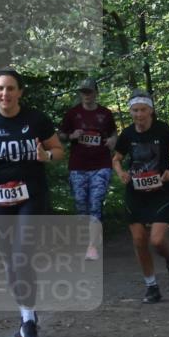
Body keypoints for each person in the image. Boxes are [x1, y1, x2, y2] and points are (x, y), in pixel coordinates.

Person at [0, 69, 64, 337]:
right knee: (11, 260)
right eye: (0, 88)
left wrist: (45, 155)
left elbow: (59, 151)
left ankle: (28, 322)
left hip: (30, 196)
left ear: (20, 92)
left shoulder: (36, 120)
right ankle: (28, 312)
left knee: (22, 254)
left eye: (11, 88)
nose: (5, 94)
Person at [112, 89, 169, 303]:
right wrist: (121, 173)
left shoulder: (162, 130)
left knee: (157, 240)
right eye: (135, 110)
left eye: (143, 110)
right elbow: (116, 158)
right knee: (138, 240)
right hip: (135, 191)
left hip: (161, 191)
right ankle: (151, 286)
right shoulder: (127, 134)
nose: (139, 114)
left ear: (151, 111)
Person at [58, 77, 118, 260]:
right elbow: (60, 135)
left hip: (101, 164)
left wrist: (113, 140)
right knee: (80, 203)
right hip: (78, 165)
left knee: (95, 202)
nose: (86, 95)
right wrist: (71, 135)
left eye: (89, 92)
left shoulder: (106, 114)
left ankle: (92, 247)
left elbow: (114, 133)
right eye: (83, 92)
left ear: (96, 93)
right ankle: (85, 242)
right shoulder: (72, 114)